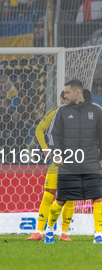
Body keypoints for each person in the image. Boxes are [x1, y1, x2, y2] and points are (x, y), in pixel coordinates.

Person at [45, 80, 102, 244]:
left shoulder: (97, 110)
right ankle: (49, 231)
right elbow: (53, 134)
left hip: (91, 162)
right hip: (68, 162)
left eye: (67, 92)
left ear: (78, 92)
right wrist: (56, 154)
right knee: (61, 199)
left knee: (98, 197)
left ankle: (98, 235)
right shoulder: (62, 111)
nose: (65, 96)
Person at [26, 91, 74, 242]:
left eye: (69, 99)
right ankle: (39, 232)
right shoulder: (54, 113)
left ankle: (64, 233)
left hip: (74, 160)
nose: (66, 101)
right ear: (60, 99)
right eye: (64, 99)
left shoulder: (80, 116)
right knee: (48, 194)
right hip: (57, 161)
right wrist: (45, 147)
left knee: (70, 198)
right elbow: (39, 130)